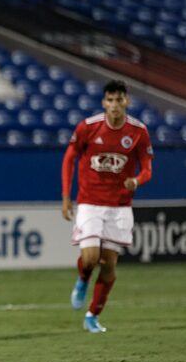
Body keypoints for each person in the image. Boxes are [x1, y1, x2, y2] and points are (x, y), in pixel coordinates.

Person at [61, 79, 153, 333]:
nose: (114, 105)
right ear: (104, 103)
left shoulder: (138, 132)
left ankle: (92, 315)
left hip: (120, 206)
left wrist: (137, 180)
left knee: (109, 264)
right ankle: (82, 279)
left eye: (119, 100)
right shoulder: (88, 127)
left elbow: (147, 168)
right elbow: (69, 158)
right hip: (90, 201)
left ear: (127, 102)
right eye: (110, 100)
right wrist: (66, 196)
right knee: (90, 257)